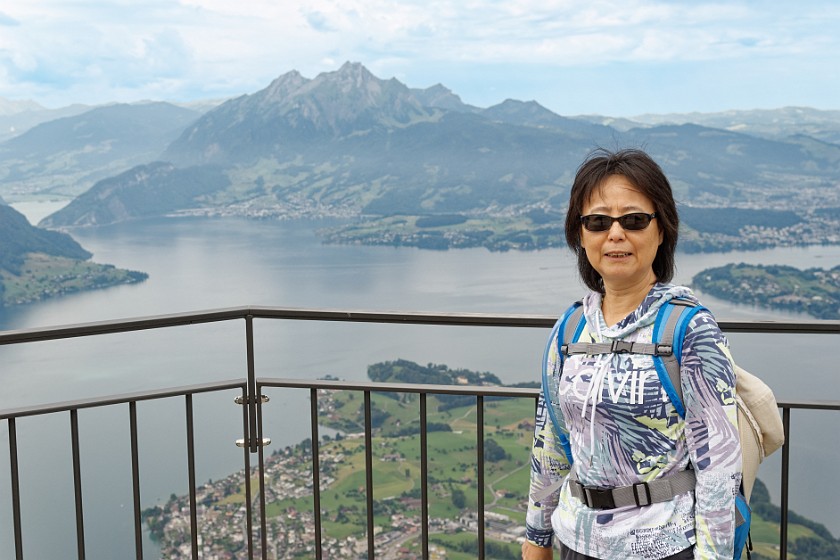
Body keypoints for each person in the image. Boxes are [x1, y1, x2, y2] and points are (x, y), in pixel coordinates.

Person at [522, 148, 741, 560]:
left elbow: (720, 470)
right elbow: (550, 441)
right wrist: (537, 537)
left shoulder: (689, 330)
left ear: (662, 230)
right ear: (580, 234)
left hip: (662, 546)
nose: (615, 234)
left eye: (635, 220)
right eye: (598, 221)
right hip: (575, 539)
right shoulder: (570, 329)